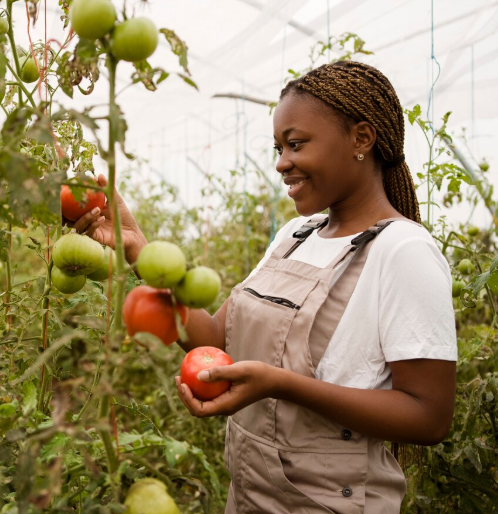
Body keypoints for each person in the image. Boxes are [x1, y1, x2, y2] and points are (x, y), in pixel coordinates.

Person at [74, 61, 457, 513]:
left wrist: (280, 384)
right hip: (253, 495)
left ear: (361, 139)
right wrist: (137, 249)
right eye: (278, 147)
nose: (281, 163)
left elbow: (429, 416)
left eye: (295, 144)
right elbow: (216, 340)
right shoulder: (295, 236)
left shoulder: (403, 250)